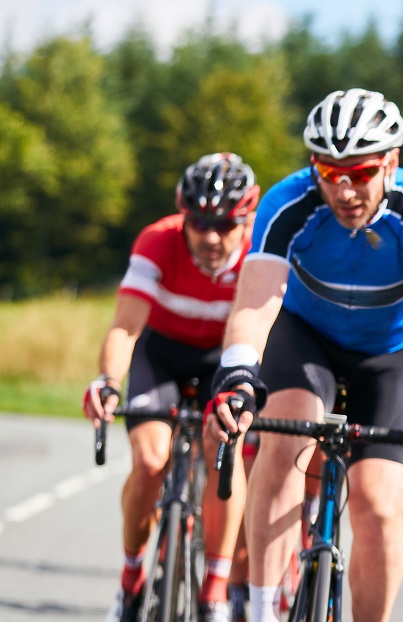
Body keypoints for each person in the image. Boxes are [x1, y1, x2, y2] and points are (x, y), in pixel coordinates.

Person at [203, 88, 403, 622]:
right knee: (285, 437)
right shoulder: (288, 201)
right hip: (307, 338)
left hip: (394, 352)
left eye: (363, 172)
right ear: (313, 166)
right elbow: (255, 302)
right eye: (330, 171)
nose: (345, 189)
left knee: (375, 501)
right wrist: (237, 371)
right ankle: (259, 611)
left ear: (391, 163)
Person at [82, 152, 261, 622]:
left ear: (248, 217)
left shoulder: (263, 249)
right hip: (161, 356)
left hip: (223, 364)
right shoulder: (158, 241)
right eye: (198, 223)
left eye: (225, 225)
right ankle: (132, 576)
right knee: (151, 461)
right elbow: (125, 327)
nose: (210, 237)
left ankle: (214, 591)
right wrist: (107, 381)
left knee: (225, 452)